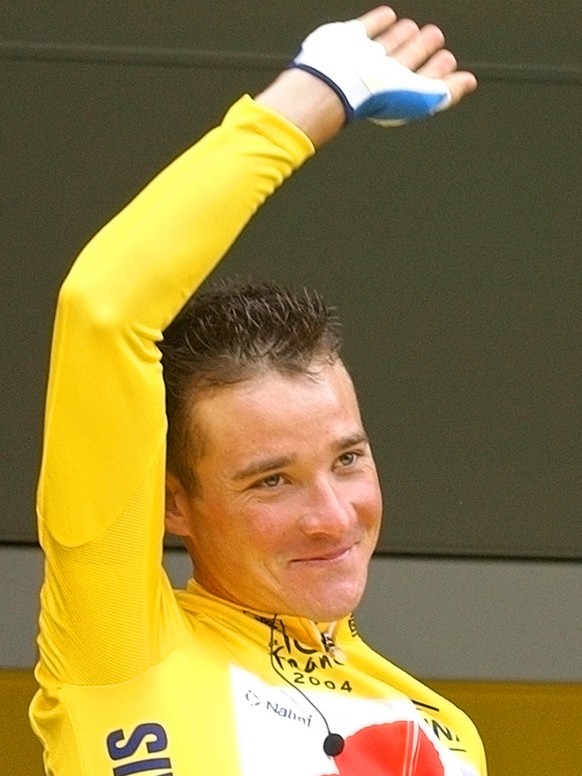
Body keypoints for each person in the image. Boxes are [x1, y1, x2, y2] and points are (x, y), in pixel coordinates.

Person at [31, 6, 485, 775]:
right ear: (173, 501)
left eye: (347, 460)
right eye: (270, 480)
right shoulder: (121, 646)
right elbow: (103, 313)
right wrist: (317, 93)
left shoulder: (444, 736)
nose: (332, 518)